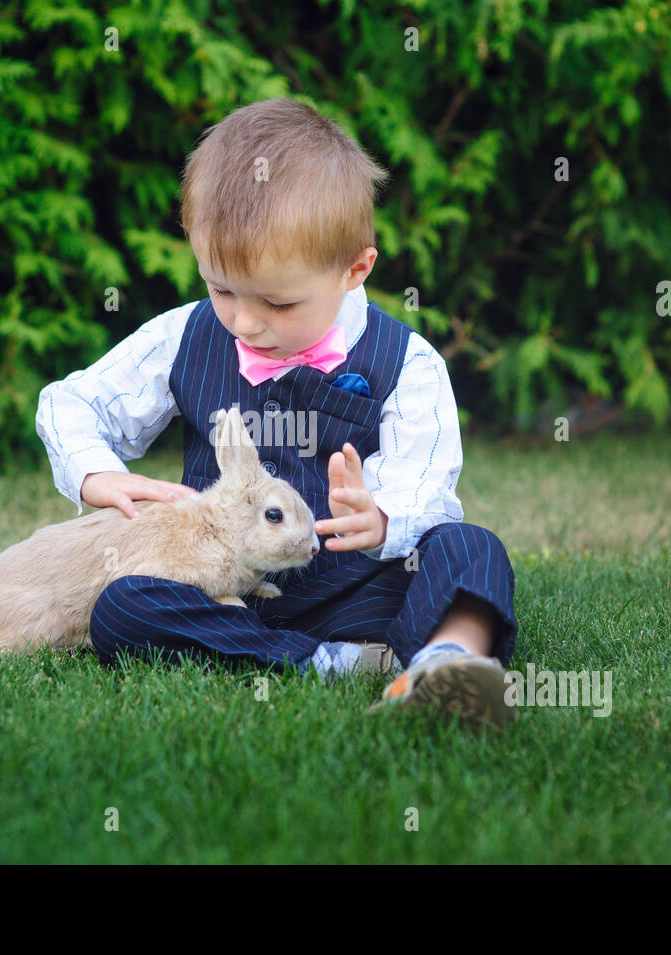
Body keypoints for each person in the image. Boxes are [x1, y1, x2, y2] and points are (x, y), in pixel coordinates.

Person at [36, 98, 518, 735]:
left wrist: (383, 517)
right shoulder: (186, 334)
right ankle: (325, 664)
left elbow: (427, 486)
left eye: (278, 302)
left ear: (355, 269)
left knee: (470, 549)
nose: (244, 321)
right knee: (125, 606)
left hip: (353, 591)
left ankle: (443, 662)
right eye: (222, 288)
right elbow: (72, 401)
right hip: (220, 591)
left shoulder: (408, 362)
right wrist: (98, 473)